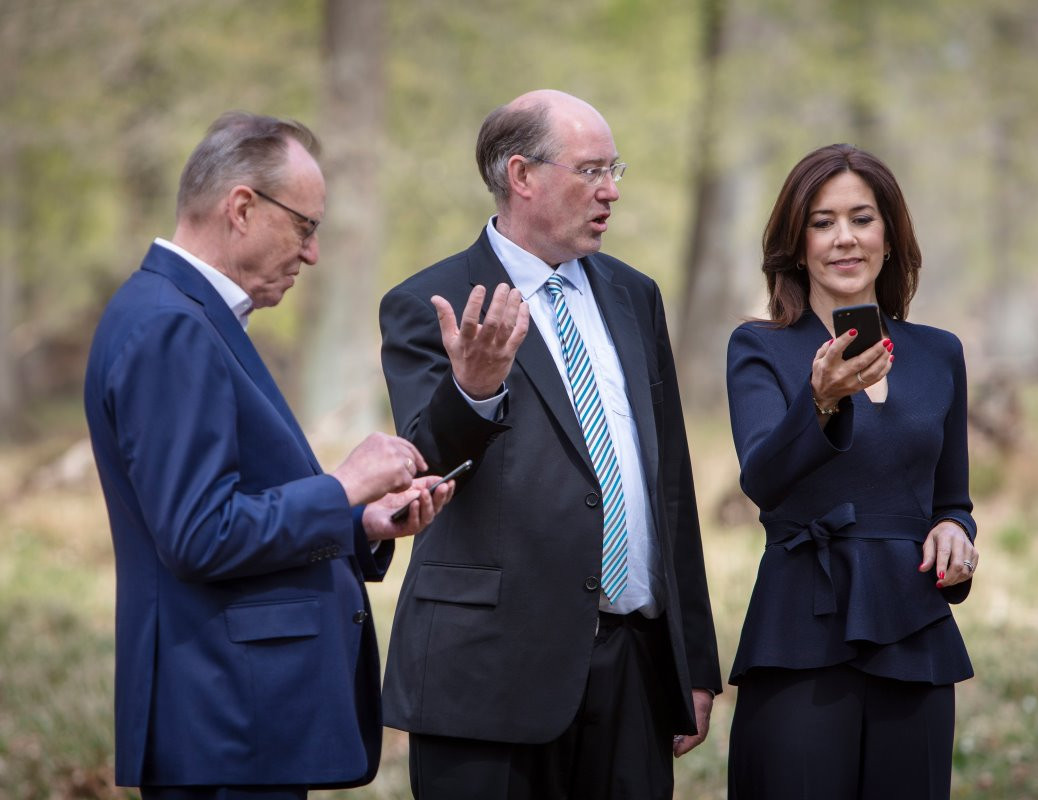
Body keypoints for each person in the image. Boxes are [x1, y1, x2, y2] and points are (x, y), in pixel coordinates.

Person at [84, 112, 455, 799]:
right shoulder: (171, 326)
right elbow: (199, 536)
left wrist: (360, 524)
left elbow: (225, 509)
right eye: (306, 227)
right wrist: (342, 484)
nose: (312, 254)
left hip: (238, 720)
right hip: (225, 721)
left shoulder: (184, 315)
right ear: (243, 208)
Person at [377, 89, 722, 800]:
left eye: (616, 170)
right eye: (592, 171)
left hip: (632, 667)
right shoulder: (432, 300)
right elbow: (421, 469)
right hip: (488, 682)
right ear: (522, 175)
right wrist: (472, 390)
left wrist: (692, 660)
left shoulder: (635, 296)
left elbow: (670, 487)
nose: (612, 191)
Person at [724, 143, 981, 799]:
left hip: (913, 631)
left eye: (862, 218)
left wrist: (956, 532)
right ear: (798, 242)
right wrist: (823, 398)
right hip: (799, 629)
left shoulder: (939, 354)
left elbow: (952, 498)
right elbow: (763, 477)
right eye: (822, 221)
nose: (844, 239)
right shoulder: (760, 347)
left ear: (890, 236)